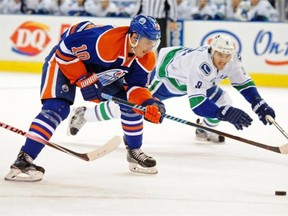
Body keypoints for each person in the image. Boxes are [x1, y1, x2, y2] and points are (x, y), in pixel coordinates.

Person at [5, 14, 166, 182]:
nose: (151, 47)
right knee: (56, 108)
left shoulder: (146, 58)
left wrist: (149, 103)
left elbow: (137, 88)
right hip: (64, 62)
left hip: (96, 72)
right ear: (134, 37)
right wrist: (81, 78)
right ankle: (24, 159)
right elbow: (65, 49)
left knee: (131, 104)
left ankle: (134, 151)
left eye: (154, 43)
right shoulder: (104, 43)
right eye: (148, 42)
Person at [68, 34, 275, 144]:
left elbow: (244, 84)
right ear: (212, 51)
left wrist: (259, 104)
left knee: (225, 100)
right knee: (133, 107)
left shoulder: (232, 61)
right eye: (219, 55)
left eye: (226, 56)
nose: (223, 60)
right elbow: (197, 103)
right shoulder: (200, 64)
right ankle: (85, 114)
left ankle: (203, 129)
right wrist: (225, 114)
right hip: (167, 77)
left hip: (195, 82)